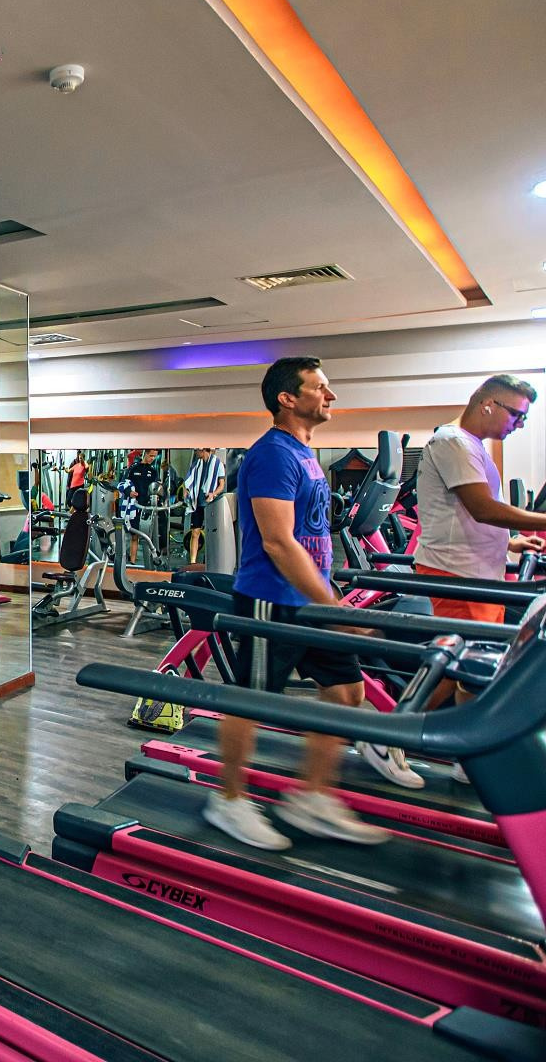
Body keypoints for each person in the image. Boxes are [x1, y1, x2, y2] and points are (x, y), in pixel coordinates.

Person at [204, 357, 390, 851]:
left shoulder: (305, 453)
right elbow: (278, 543)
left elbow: (312, 538)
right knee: (251, 700)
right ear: (287, 398)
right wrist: (334, 606)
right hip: (272, 600)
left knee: (347, 694)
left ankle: (312, 797)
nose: (331, 396)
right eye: (320, 387)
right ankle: (228, 798)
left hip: (311, 600)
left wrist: (331, 597)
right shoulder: (272, 455)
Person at [412, 374, 546, 778]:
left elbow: (463, 515)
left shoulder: (471, 445)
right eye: (517, 415)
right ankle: (389, 736)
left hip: (476, 568)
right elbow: (483, 509)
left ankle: (468, 754)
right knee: (458, 660)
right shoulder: (453, 443)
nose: (520, 424)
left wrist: (508, 542)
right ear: (488, 404)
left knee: (472, 664)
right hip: (456, 570)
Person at [183, 446, 227, 566]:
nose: (196, 453)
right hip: (198, 502)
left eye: (197, 450)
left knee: (212, 533)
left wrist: (213, 493)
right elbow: (188, 481)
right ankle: (193, 561)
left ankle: (211, 560)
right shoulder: (196, 464)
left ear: (203, 450)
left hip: (210, 502)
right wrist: (186, 490)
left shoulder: (218, 464)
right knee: (195, 532)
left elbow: (221, 485)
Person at [125, 449, 160, 563]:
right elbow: (124, 484)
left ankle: (149, 564)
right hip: (135, 505)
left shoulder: (153, 471)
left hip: (148, 506)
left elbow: (157, 488)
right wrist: (129, 492)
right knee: (134, 535)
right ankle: (132, 562)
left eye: (154, 456)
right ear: (145, 454)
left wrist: (158, 496)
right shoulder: (133, 468)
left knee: (148, 536)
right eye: (151, 456)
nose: (152, 458)